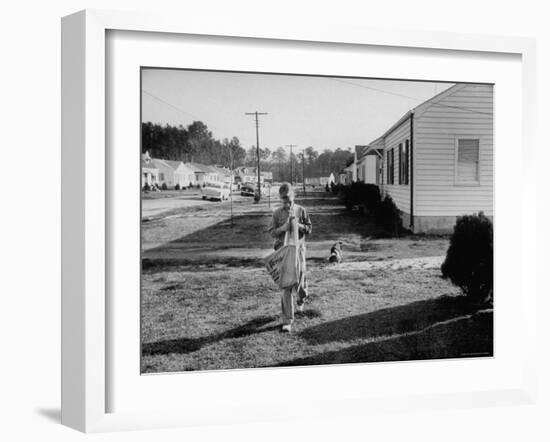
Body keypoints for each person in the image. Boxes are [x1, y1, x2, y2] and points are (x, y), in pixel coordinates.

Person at [268, 182, 312, 332]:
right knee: (286, 286)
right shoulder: (277, 213)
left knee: (300, 281)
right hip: (284, 252)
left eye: (289, 201)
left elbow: (309, 229)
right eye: (284, 201)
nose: (287, 204)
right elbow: (272, 232)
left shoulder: (301, 210)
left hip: (299, 251)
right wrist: (283, 228)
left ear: (294, 196)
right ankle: (287, 320)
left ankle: (302, 297)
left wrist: (298, 225)